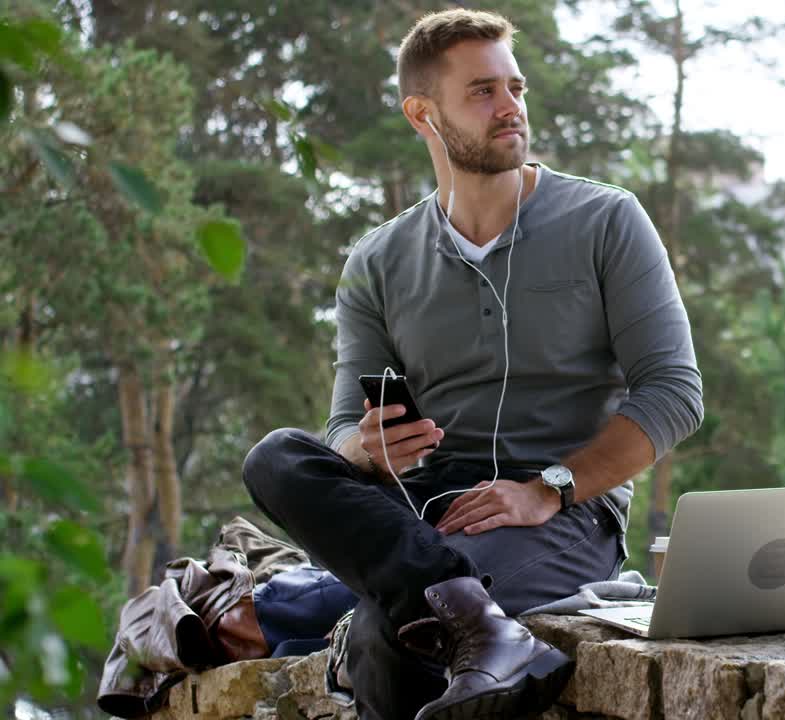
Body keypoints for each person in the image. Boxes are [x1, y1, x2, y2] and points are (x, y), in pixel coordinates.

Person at [241, 8, 703, 720]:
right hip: (420, 509)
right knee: (278, 457)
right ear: (423, 115)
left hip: (562, 516)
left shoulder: (608, 221)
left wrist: (549, 487)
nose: (511, 107)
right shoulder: (378, 259)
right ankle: (469, 615)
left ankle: (438, 608)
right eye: (483, 92)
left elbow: (674, 394)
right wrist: (362, 449)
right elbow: (337, 428)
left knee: (387, 630)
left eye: (516, 88)